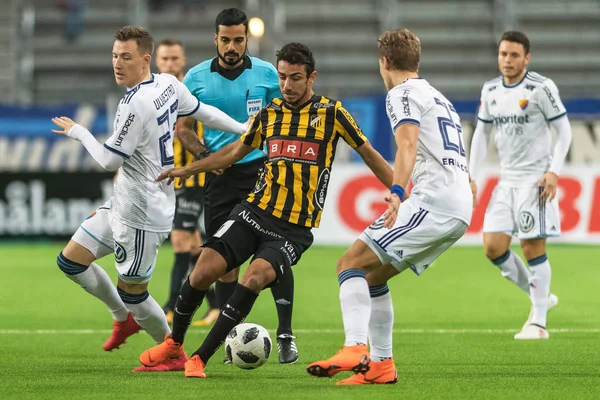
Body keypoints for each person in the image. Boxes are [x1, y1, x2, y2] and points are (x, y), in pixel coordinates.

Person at [137, 42, 394, 379]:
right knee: (202, 271)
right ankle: (174, 346)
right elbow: (232, 153)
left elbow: (370, 153)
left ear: (311, 77)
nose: (287, 85)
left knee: (254, 277)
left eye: (296, 78)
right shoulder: (269, 114)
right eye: (283, 77)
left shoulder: (332, 114)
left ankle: (199, 358)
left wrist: (400, 190)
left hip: (293, 228)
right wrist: (188, 169)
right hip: (253, 212)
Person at [51, 25, 247, 372]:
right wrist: (243, 128)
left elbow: (110, 159)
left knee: (133, 292)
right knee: (70, 262)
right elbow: (203, 111)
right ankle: (123, 319)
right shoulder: (167, 84)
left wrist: (78, 132)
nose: (117, 63)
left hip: (141, 212)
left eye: (126, 57)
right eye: (114, 56)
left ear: (145, 59)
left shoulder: (135, 103)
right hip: (123, 201)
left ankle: (172, 351)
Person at [307, 28, 473, 385]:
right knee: (371, 276)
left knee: (348, 263)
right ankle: (382, 366)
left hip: (434, 201)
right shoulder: (438, 97)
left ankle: (354, 347)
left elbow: (408, 146)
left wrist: (398, 191)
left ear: (383, 62)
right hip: (457, 204)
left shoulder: (401, 94)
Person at [177, 8, 299, 363]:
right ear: (215, 38)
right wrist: (204, 154)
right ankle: (230, 335)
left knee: (272, 249)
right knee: (222, 261)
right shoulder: (196, 78)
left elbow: (290, 112)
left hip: (263, 172)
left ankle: (286, 333)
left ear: (248, 39)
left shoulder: (266, 74)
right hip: (221, 176)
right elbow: (183, 128)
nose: (232, 46)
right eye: (226, 39)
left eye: (238, 40)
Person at [468, 31, 571, 340]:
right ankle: (541, 297)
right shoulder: (491, 90)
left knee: (531, 246)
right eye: (503, 54)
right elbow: (481, 135)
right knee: (493, 247)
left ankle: (538, 324)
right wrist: (472, 176)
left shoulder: (541, 88)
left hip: (535, 180)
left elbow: (564, 132)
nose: (507, 60)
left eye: (514, 55)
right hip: (506, 181)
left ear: (526, 58)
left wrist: (553, 172)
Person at [154, 38, 220, 327]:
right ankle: (216, 305)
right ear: (157, 61)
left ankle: (171, 306)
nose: (170, 64)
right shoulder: (152, 94)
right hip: (169, 181)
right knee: (193, 245)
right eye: (165, 59)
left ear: (182, 61)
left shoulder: (191, 92)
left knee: (181, 239)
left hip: (194, 177)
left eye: (174, 59)